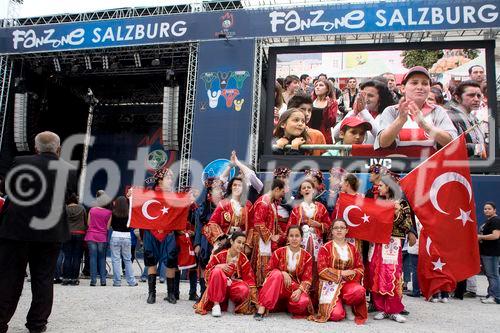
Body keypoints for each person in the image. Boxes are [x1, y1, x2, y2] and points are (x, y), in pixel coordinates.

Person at [0, 131, 77, 333]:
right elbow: (68, 197)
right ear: (58, 149)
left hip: (17, 230)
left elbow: (8, 186)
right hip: (49, 232)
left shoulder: (20, 161)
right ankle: (37, 324)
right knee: (43, 279)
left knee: (9, 278)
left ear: (36, 148)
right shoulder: (68, 170)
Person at [370, 174, 417, 323]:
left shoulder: (402, 203)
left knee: (392, 273)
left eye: (382, 185)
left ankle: (394, 309)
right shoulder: (380, 202)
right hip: (378, 243)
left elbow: (407, 224)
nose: (379, 187)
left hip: (393, 243)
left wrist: (397, 212)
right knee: (377, 272)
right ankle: (382, 308)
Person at [375, 66, 457, 150]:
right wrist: (400, 120)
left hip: (431, 162)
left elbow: (452, 142)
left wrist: (424, 125)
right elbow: (383, 143)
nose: (420, 87)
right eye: (414, 83)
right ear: (403, 88)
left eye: (425, 84)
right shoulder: (391, 111)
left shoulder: (438, 111)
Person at [308, 219, 367, 324]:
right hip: (329, 284)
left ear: (346, 231)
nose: (339, 230)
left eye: (342, 228)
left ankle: (347, 305)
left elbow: (360, 268)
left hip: (347, 284)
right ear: (332, 231)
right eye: (336, 228)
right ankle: (339, 305)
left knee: (359, 290)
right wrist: (341, 273)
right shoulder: (325, 248)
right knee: (336, 315)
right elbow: (322, 270)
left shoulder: (353, 248)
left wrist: (351, 274)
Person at [254, 226, 313, 320]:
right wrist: (282, 272)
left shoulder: (307, 257)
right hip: (278, 287)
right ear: (288, 238)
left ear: (301, 238)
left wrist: (300, 290)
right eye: (291, 236)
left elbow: (307, 278)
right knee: (276, 274)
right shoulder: (278, 252)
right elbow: (267, 272)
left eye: (297, 236)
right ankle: (262, 308)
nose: (294, 239)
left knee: (303, 301)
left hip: (294, 288)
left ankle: (288, 307)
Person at [287, 179, 331, 303]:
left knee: (316, 268)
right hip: (301, 242)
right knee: (301, 267)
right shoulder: (297, 209)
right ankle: (302, 297)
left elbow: (329, 226)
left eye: (308, 187)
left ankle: (316, 299)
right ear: (301, 191)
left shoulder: (321, 207)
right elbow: (290, 227)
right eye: (303, 188)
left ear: (313, 190)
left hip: (317, 242)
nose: (306, 189)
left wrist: (318, 224)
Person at [195, 232, 257, 317]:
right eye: (238, 242)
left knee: (244, 289)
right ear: (231, 242)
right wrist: (218, 266)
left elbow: (250, 280)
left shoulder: (243, 259)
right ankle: (216, 305)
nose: (241, 246)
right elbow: (207, 273)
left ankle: (232, 301)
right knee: (217, 271)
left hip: (233, 285)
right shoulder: (219, 255)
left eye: (243, 243)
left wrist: (257, 303)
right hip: (218, 287)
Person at [142, 167, 178, 304]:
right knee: (151, 260)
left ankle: (171, 294)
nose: (171, 180)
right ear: (159, 180)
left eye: (171, 178)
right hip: (151, 232)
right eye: (168, 177)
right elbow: (137, 207)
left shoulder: (175, 196)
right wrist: (131, 196)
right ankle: (152, 294)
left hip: (169, 233)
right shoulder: (148, 195)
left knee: (171, 261)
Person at [331, 78, 392, 144]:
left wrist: (363, 112)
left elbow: (382, 138)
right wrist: (354, 112)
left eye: (370, 96)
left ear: (381, 98)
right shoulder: (360, 113)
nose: (365, 98)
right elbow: (335, 134)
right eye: (363, 95)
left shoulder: (388, 114)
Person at [250, 179, 287, 287]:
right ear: (276, 189)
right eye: (282, 192)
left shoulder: (271, 203)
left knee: (267, 268)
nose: (282, 196)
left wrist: (284, 235)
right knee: (261, 269)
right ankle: (260, 295)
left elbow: (275, 223)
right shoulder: (263, 202)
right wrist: (271, 237)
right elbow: (258, 224)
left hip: (267, 242)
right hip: (262, 242)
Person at [203, 177, 253, 254]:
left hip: (241, 244)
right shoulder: (223, 204)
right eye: (234, 185)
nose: (237, 187)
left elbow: (252, 227)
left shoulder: (248, 205)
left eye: (240, 185)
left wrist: (248, 244)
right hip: (226, 242)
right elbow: (213, 222)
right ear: (231, 187)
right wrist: (221, 238)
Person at [194, 178, 224, 299]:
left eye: (220, 189)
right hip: (205, 240)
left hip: (220, 240)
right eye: (216, 188)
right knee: (203, 265)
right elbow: (198, 227)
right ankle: (203, 294)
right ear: (210, 191)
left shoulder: (224, 205)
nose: (220, 191)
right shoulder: (202, 208)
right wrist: (197, 244)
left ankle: (216, 295)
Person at [447, 80, 487, 158]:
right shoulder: (449, 117)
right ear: (457, 97)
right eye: (471, 95)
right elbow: (451, 146)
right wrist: (481, 149)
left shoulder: (473, 117)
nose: (476, 99)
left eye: (478, 96)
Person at [85, 191, 112, 286]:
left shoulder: (92, 210)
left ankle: (93, 281)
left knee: (92, 258)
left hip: (91, 235)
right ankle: (103, 280)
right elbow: (108, 227)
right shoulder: (109, 213)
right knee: (102, 258)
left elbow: (88, 224)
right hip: (102, 236)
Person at [110, 196, 137, 287]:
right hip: (126, 236)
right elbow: (131, 225)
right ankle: (131, 281)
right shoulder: (129, 213)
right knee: (127, 259)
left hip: (116, 235)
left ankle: (117, 282)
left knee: (115, 260)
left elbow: (110, 225)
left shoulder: (113, 213)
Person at [61, 193, 87, 286]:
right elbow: (85, 221)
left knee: (67, 256)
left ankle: (65, 278)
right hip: (79, 234)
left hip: (67, 234)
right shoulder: (82, 208)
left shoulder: (65, 209)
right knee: (76, 256)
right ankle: (74, 279)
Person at [477, 202, 500, 304]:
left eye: (489, 209)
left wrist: (480, 237)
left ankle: (496, 296)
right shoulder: (489, 221)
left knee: (493, 275)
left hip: (492, 252)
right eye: (485, 209)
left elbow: (496, 236)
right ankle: (491, 294)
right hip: (486, 252)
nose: (486, 210)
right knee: (490, 274)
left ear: (494, 210)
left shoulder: (495, 220)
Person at [311, 78, 338, 144]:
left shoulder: (332, 102)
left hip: (324, 135)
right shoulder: (310, 101)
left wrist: (327, 109)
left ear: (327, 89)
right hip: (311, 134)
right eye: (316, 85)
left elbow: (331, 122)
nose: (317, 87)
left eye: (321, 85)